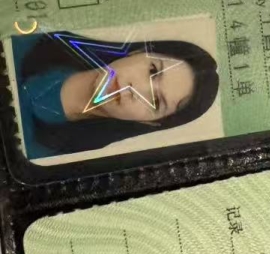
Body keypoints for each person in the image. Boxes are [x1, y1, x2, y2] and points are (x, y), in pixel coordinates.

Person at [9, 30, 219, 159]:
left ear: (149, 122)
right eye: (152, 71)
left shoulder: (57, 159)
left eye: (155, 101)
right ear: (137, 52)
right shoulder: (24, 40)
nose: (135, 89)